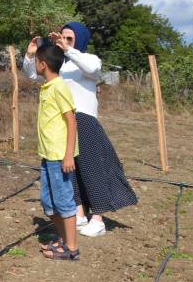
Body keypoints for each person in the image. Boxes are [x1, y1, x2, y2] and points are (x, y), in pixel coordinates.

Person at [23, 23, 137, 237]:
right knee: (71, 172)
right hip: (63, 123)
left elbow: (92, 70)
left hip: (84, 120)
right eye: (62, 38)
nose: (64, 42)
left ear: (79, 40)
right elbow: (33, 75)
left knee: (93, 170)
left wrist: (68, 50)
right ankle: (79, 213)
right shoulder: (61, 66)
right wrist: (30, 56)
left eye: (69, 38)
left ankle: (98, 219)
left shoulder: (89, 60)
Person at [33, 43, 81, 261]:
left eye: (35, 60)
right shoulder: (48, 86)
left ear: (43, 64)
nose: (34, 64)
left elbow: (71, 121)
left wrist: (69, 154)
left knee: (64, 200)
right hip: (48, 154)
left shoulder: (59, 87)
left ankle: (72, 247)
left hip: (60, 155)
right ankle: (63, 240)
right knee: (49, 203)